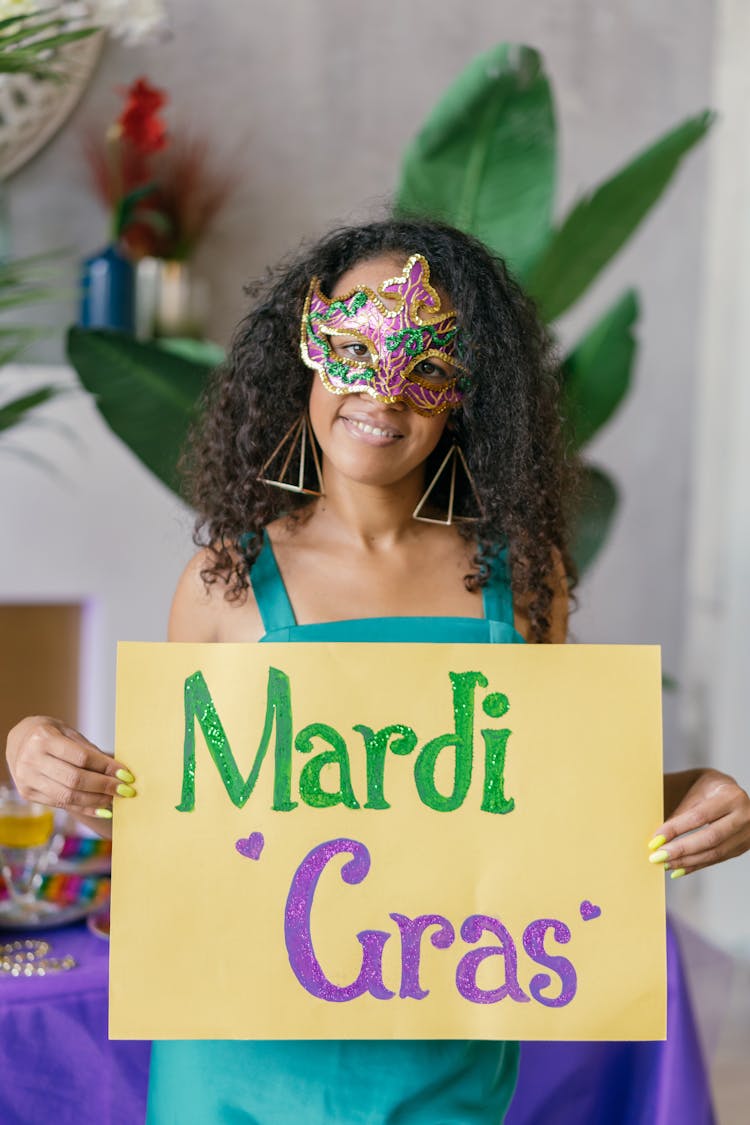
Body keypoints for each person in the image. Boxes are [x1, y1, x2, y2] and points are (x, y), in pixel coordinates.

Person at [6, 219, 750, 1123]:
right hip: (234, 1065)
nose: (379, 390)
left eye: (423, 365)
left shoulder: (523, 580)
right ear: (306, 358)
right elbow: (172, 804)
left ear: (466, 393)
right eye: (351, 348)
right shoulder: (223, 581)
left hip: (443, 1063)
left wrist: (690, 798)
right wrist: (40, 749)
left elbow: (553, 805)